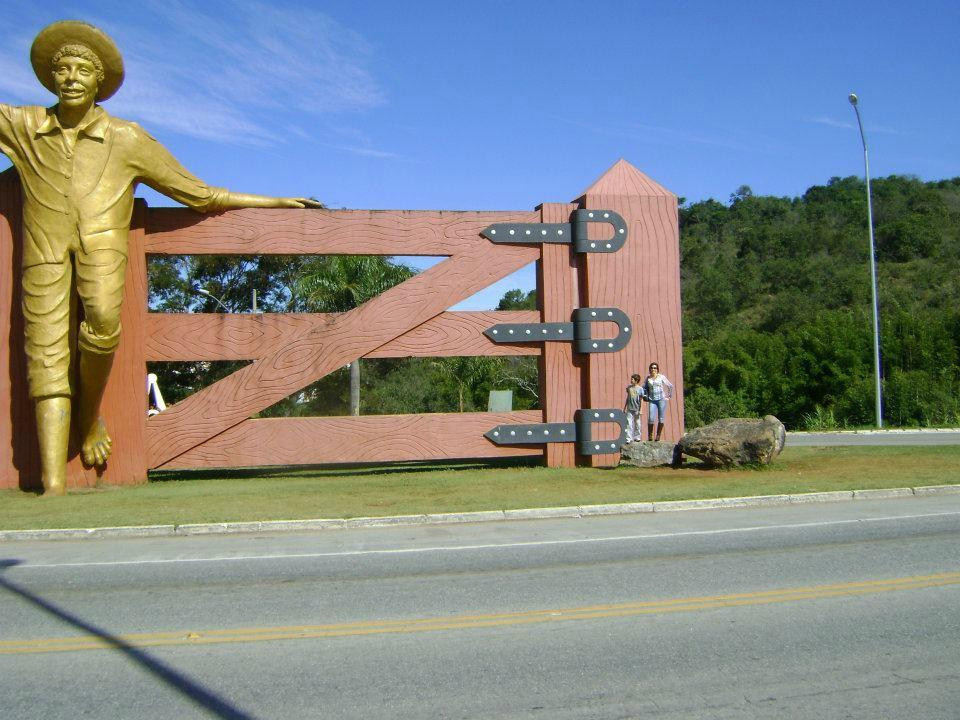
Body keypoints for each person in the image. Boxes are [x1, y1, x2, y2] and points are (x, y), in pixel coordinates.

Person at [0, 21, 321, 494]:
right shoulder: (25, 126)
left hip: (101, 253)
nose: (70, 77)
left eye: (82, 70)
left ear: (98, 82)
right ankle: (52, 487)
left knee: (104, 326)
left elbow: (198, 193)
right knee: (44, 353)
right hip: (42, 256)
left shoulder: (126, 138)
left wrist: (274, 202)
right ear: (49, 78)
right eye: (62, 68)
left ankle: (87, 421)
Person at [643, 362, 674, 441]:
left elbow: (670, 386)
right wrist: (645, 395)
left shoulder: (661, 377)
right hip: (652, 400)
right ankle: (650, 435)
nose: (653, 369)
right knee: (651, 418)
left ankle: (658, 435)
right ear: (650, 369)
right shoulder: (648, 378)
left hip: (661, 399)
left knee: (661, 418)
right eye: (652, 368)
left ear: (657, 369)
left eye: (655, 368)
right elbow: (644, 388)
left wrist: (668, 396)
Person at [623, 373, 646, 443]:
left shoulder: (640, 389)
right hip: (630, 408)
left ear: (636, 380)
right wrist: (624, 407)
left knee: (637, 423)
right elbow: (628, 398)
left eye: (632, 379)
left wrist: (641, 409)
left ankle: (637, 437)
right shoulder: (629, 388)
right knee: (629, 424)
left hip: (636, 408)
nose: (631, 380)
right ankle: (628, 438)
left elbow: (641, 399)